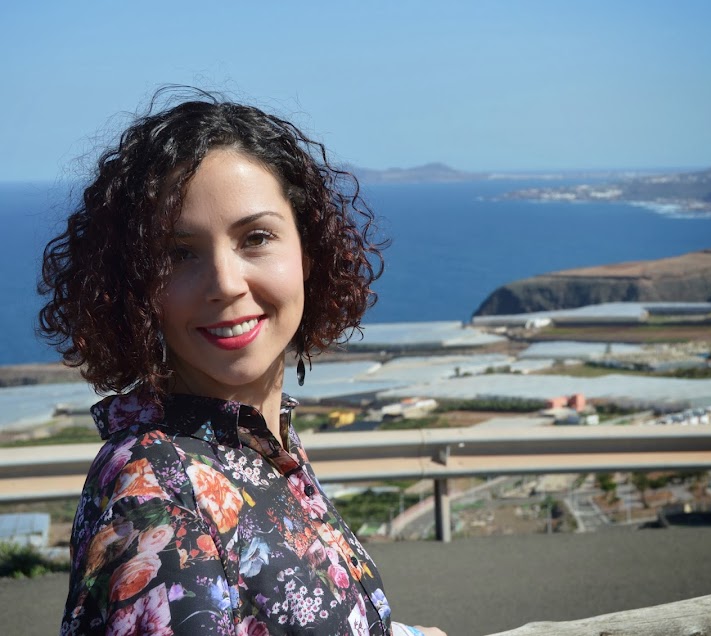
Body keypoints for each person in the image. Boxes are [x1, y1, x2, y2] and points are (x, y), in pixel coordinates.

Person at [42, 88, 445, 636]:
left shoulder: (253, 441)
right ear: (134, 285)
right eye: (179, 253)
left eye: (256, 238)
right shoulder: (159, 496)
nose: (226, 284)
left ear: (307, 252)